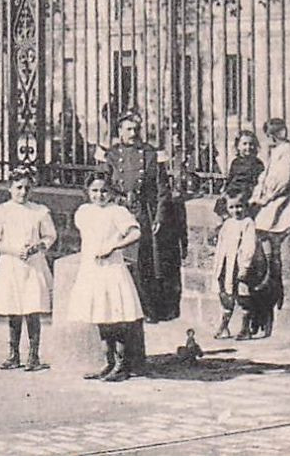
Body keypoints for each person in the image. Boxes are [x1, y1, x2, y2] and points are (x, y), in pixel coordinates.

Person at [68, 175, 146, 382]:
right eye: (94, 191)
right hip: (92, 269)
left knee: (115, 317)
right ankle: (108, 362)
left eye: (103, 191)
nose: (99, 195)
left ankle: (122, 364)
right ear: (87, 192)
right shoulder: (83, 212)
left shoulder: (117, 212)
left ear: (111, 192)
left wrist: (113, 246)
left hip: (111, 268)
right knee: (101, 317)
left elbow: (135, 233)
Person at [0, 167, 58, 372]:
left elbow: (50, 236)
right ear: (9, 188)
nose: (23, 192)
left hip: (33, 265)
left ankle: (33, 356)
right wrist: (14, 250)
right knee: (13, 309)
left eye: (27, 188)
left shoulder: (39, 211)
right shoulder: (1, 211)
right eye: (18, 188)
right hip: (11, 264)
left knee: (32, 310)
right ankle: (13, 354)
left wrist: (37, 247)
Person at [102, 112, 174, 322]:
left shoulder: (151, 154)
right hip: (119, 211)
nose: (133, 134)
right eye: (128, 129)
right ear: (119, 131)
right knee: (119, 260)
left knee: (144, 262)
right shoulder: (112, 155)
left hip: (143, 212)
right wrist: (115, 200)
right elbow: (101, 184)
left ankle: (146, 309)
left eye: (136, 129)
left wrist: (159, 217)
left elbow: (162, 189)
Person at [246, 117, 290, 334]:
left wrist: (264, 198)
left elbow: (282, 182)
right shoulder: (277, 151)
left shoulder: (286, 151)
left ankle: (265, 307)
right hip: (269, 203)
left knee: (267, 258)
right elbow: (264, 178)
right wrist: (257, 195)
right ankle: (258, 310)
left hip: (282, 203)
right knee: (257, 258)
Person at [211, 195, 266, 339]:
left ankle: (245, 328)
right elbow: (221, 245)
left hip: (239, 265)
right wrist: (218, 265)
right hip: (226, 264)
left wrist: (245, 267)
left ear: (246, 207)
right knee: (225, 295)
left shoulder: (248, 223)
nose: (236, 210)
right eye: (232, 207)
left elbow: (249, 246)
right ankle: (224, 326)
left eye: (239, 206)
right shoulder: (228, 224)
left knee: (242, 295)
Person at [225, 130, 264, 203]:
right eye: (244, 144)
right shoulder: (235, 162)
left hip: (247, 192)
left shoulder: (257, 163)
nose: (248, 147)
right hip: (233, 191)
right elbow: (231, 178)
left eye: (251, 144)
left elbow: (258, 182)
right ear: (238, 146)